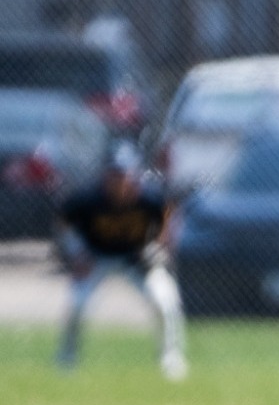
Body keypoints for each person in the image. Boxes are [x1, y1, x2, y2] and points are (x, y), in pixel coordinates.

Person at [55, 141, 188, 381]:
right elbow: (64, 223)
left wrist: (158, 246)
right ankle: (67, 357)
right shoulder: (89, 199)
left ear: (135, 175)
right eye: (115, 174)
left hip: (134, 259)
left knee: (165, 301)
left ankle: (171, 358)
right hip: (96, 258)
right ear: (105, 175)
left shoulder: (149, 198)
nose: (120, 180)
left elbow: (169, 217)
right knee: (77, 303)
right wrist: (77, 253)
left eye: (125, 174)